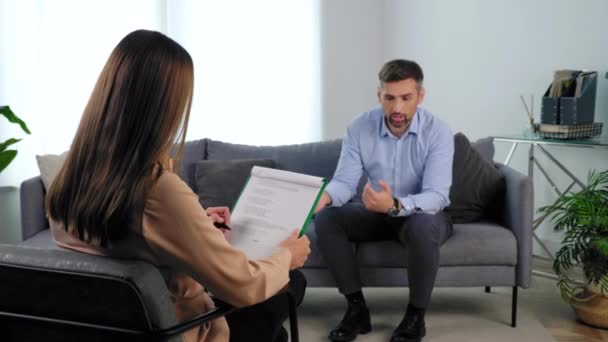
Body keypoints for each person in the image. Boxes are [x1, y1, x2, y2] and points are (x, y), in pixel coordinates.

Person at [45, 29, 310, 342]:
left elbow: (126, 241)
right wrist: (286, 256)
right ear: (164, 107)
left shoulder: (69, 178)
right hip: (174, 330)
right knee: (288, 285)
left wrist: (196, 225)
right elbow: (245, 286)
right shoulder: (157, 189)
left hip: (110, 328)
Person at [314, 59, 454, 342]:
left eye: (406, 98)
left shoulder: (438, 131)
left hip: (419, 217)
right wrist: (325, 198)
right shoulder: (359, 127)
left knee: (422, 225)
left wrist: (395, 205)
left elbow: (437, 195)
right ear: (379, 95)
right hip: (376, 214)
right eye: (389, 98)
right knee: (328, 218)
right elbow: (344, 182)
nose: (397, 108)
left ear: (420, 96)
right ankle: (356, 309)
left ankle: (415, 316)